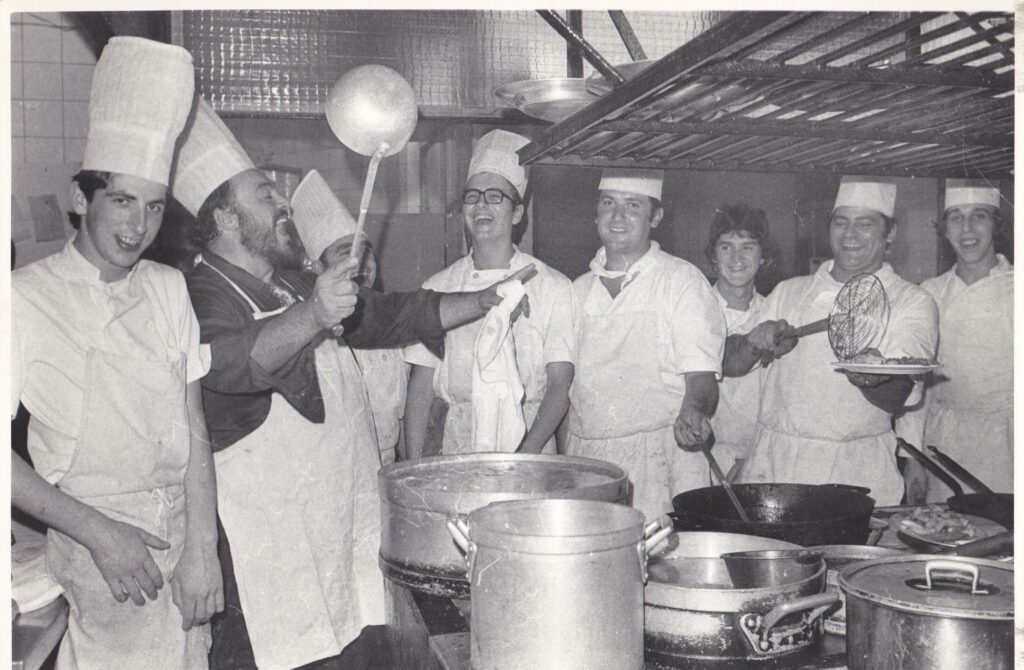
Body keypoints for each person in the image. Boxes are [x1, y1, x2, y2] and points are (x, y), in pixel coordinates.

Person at [173, 99, 532, 670]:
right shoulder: (198, 294)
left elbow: (389, 315)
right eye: (263, 195)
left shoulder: (290, 284)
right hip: (270, 568)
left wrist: (482, 300)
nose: (281, 201)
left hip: (336, 539)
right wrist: (315, 315)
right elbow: (224, 362)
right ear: (225, 219)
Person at [11, 37, 222, 669]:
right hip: (95, 543)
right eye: (122, 201)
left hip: (180, 537)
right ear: (81, 199)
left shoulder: (167, 286)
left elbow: (194, 427)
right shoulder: (23, 300)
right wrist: (102, 536)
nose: (139, 226)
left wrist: (203, 547)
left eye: (154, 206)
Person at [724, 177, 938, 505]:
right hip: (774, 464)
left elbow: (898, 395)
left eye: (865, 224)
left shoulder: (912, 301)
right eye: (841, 223)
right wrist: (755, 341)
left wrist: (868, 376)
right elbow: (730, 362)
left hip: (855, 472)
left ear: (890, 233)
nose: (850, 236)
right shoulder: (789, 291)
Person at [404, 129, 576, 457]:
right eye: (472, 195)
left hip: (531, 441)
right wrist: (413, 468)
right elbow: (420, 389)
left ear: (517, 213)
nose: (481, 204)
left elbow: (558, 386)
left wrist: (523, 456)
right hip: (458, 442)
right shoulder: (436, 287)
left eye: (495, 195)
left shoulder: (553, 285)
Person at [567, 168, 727, 521]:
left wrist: (695, 409)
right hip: (589, 460)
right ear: (596, 214)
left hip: (659, 459)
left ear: (656, 216)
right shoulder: (576, 291)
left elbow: (701, 376)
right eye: (609, 203)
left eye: (633, 206)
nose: (618, 216)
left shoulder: (680, 280)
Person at [899, 180, 1013, 502]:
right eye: (956, 217)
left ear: (996, 225)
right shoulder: (929, 293)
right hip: (943, 444)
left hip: (1007, 441)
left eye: (980, 216)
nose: (967, 228)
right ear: (945, 230)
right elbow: (916, 382)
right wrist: (913, 458)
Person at [291, 168, 410, 466]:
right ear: (317, 269)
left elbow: (402, 420)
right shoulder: (306, 337)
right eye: (347, 253)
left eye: (367, 252)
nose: (362, 263)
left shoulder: (392, 330)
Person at [704, 204, 774, 479]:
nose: (736, 258)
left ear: (763, 256)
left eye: (747, 246)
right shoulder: (694, 309)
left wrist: (753, 458)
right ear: (713, 255)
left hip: (762, 455)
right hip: (702, 457)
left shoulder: (775, 312)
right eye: (726, 247)